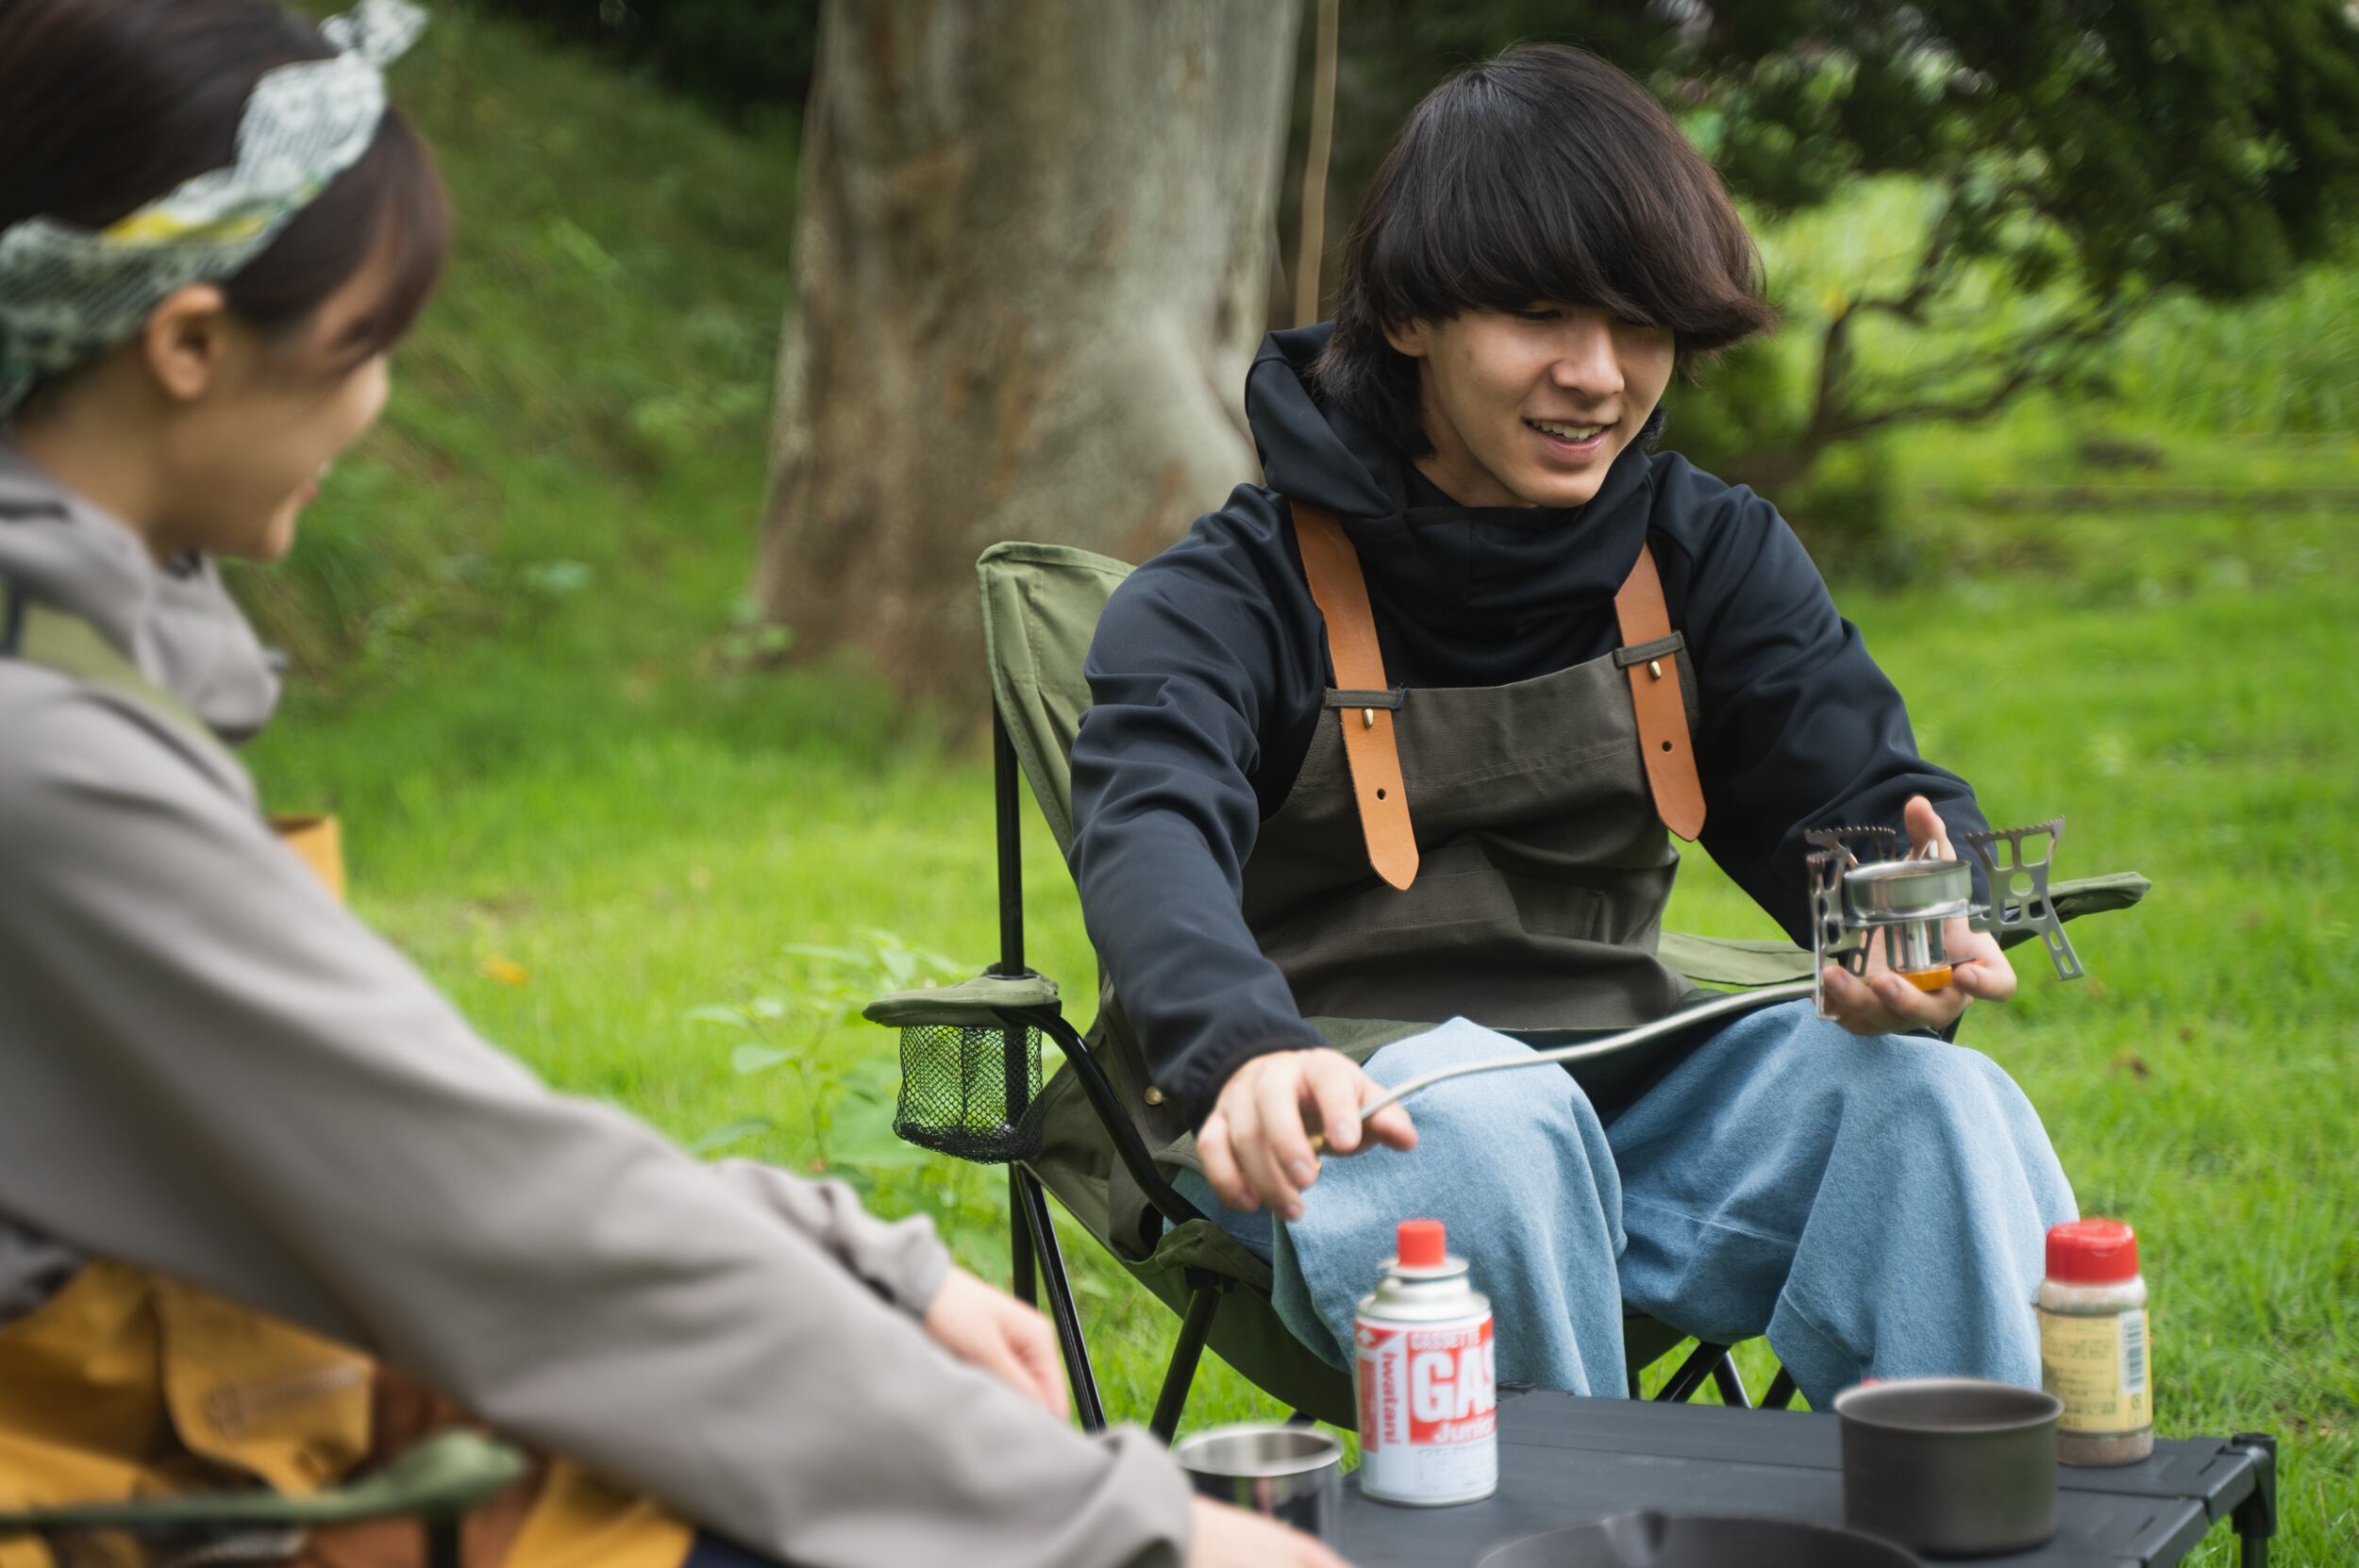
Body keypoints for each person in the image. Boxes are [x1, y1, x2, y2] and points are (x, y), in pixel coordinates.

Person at [0, 3, 1344, 1565]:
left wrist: (856, 1253)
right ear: (187, 343)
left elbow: (425, 1145)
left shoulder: (82, 671)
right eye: (365, 349)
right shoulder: (50, 760)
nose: (376, 409)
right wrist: (1130, 1529)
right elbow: (494, 1221)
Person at [1069, 43, 2077, 1408]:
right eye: (1540, 315)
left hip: (1636, 1095)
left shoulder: (1706, 554)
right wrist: (1238, 1044)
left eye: (1640, 324)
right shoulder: (1223, 598)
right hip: (1334, 1120)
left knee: (1938, 1105)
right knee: (1491, 1116)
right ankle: (1574, 1513)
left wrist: (1913, 925)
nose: (1598, 375)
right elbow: (1149, 834)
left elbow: (1865, 799)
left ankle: (1990, 1509)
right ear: (1411, 316)